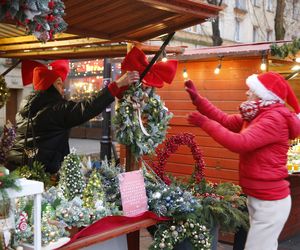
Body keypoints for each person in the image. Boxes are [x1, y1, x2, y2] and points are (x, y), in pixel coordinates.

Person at [185, 71, 300, 250]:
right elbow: (226, 120)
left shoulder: (273, 119)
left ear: (263, 94)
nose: (247, 93)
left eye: (251, 90)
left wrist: (204, 123)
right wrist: (199, 101)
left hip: (269, 202)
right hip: (259, 198)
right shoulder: (258, 114)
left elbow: (240, 143)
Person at [6, 59, 139, 174]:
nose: (62, 88)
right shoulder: (55, 108)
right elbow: (88, 108)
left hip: (17, 165)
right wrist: (117, 85)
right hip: (41, 170)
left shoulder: (26, 106)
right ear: (48, 86)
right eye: (58, 83)